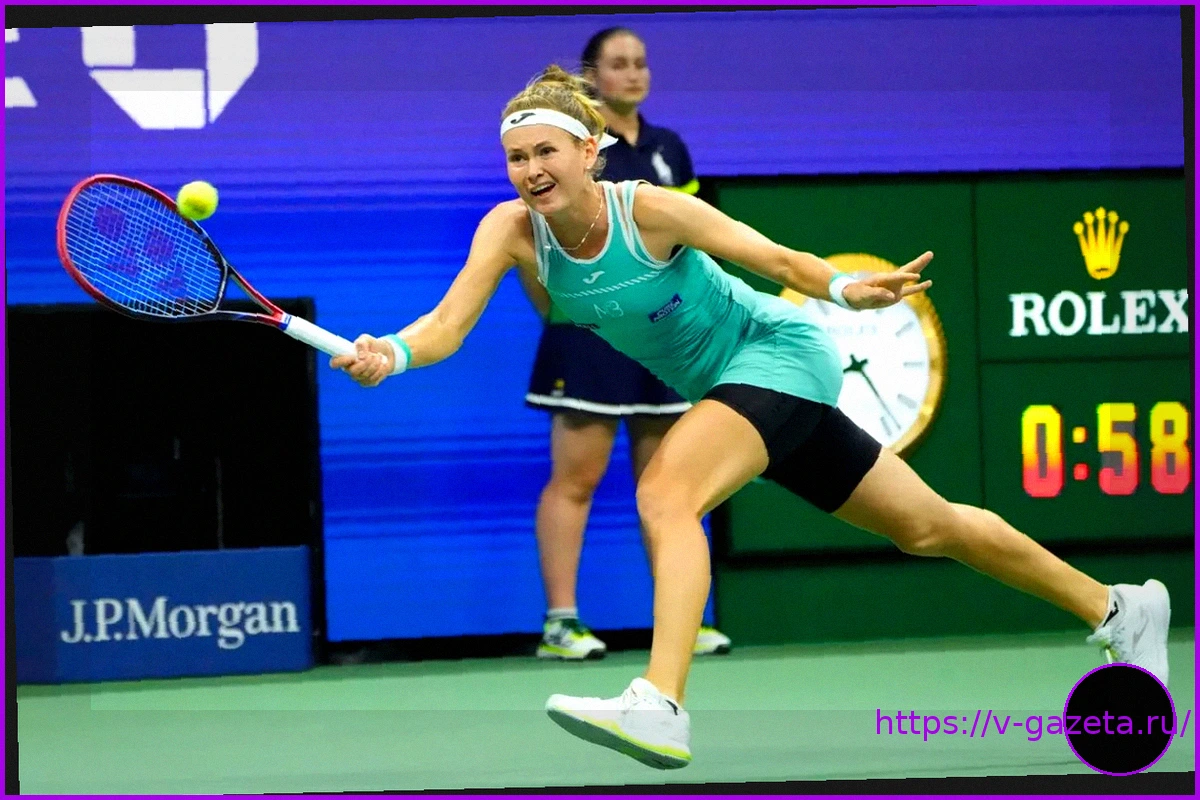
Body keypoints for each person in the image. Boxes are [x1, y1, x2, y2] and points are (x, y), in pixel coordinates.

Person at [332, 66, 1171, 771]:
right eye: (516, 157)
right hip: (738, 391)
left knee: (666, 493)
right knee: (928, 527)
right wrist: (390, 353)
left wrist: (847, 289)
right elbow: (446, 327)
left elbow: (773, 257)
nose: (529, 169)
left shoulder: (648, 209)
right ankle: (1118, 607)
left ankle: (661, 702)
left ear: (589, 151)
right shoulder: (512, 231)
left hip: (779, 354)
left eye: (545, 151)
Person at [519, 27, 729, 661]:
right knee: (576, 479)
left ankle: (681, 620)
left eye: (640, 63)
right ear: (592, 76)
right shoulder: (566, 147)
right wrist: (567, 313)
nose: (634, 74)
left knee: (668, 483)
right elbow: (534, 243)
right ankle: (561, 624)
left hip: (660, 336)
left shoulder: (668, 149)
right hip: (587, 338)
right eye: (619, 64)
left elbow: (688, 242)